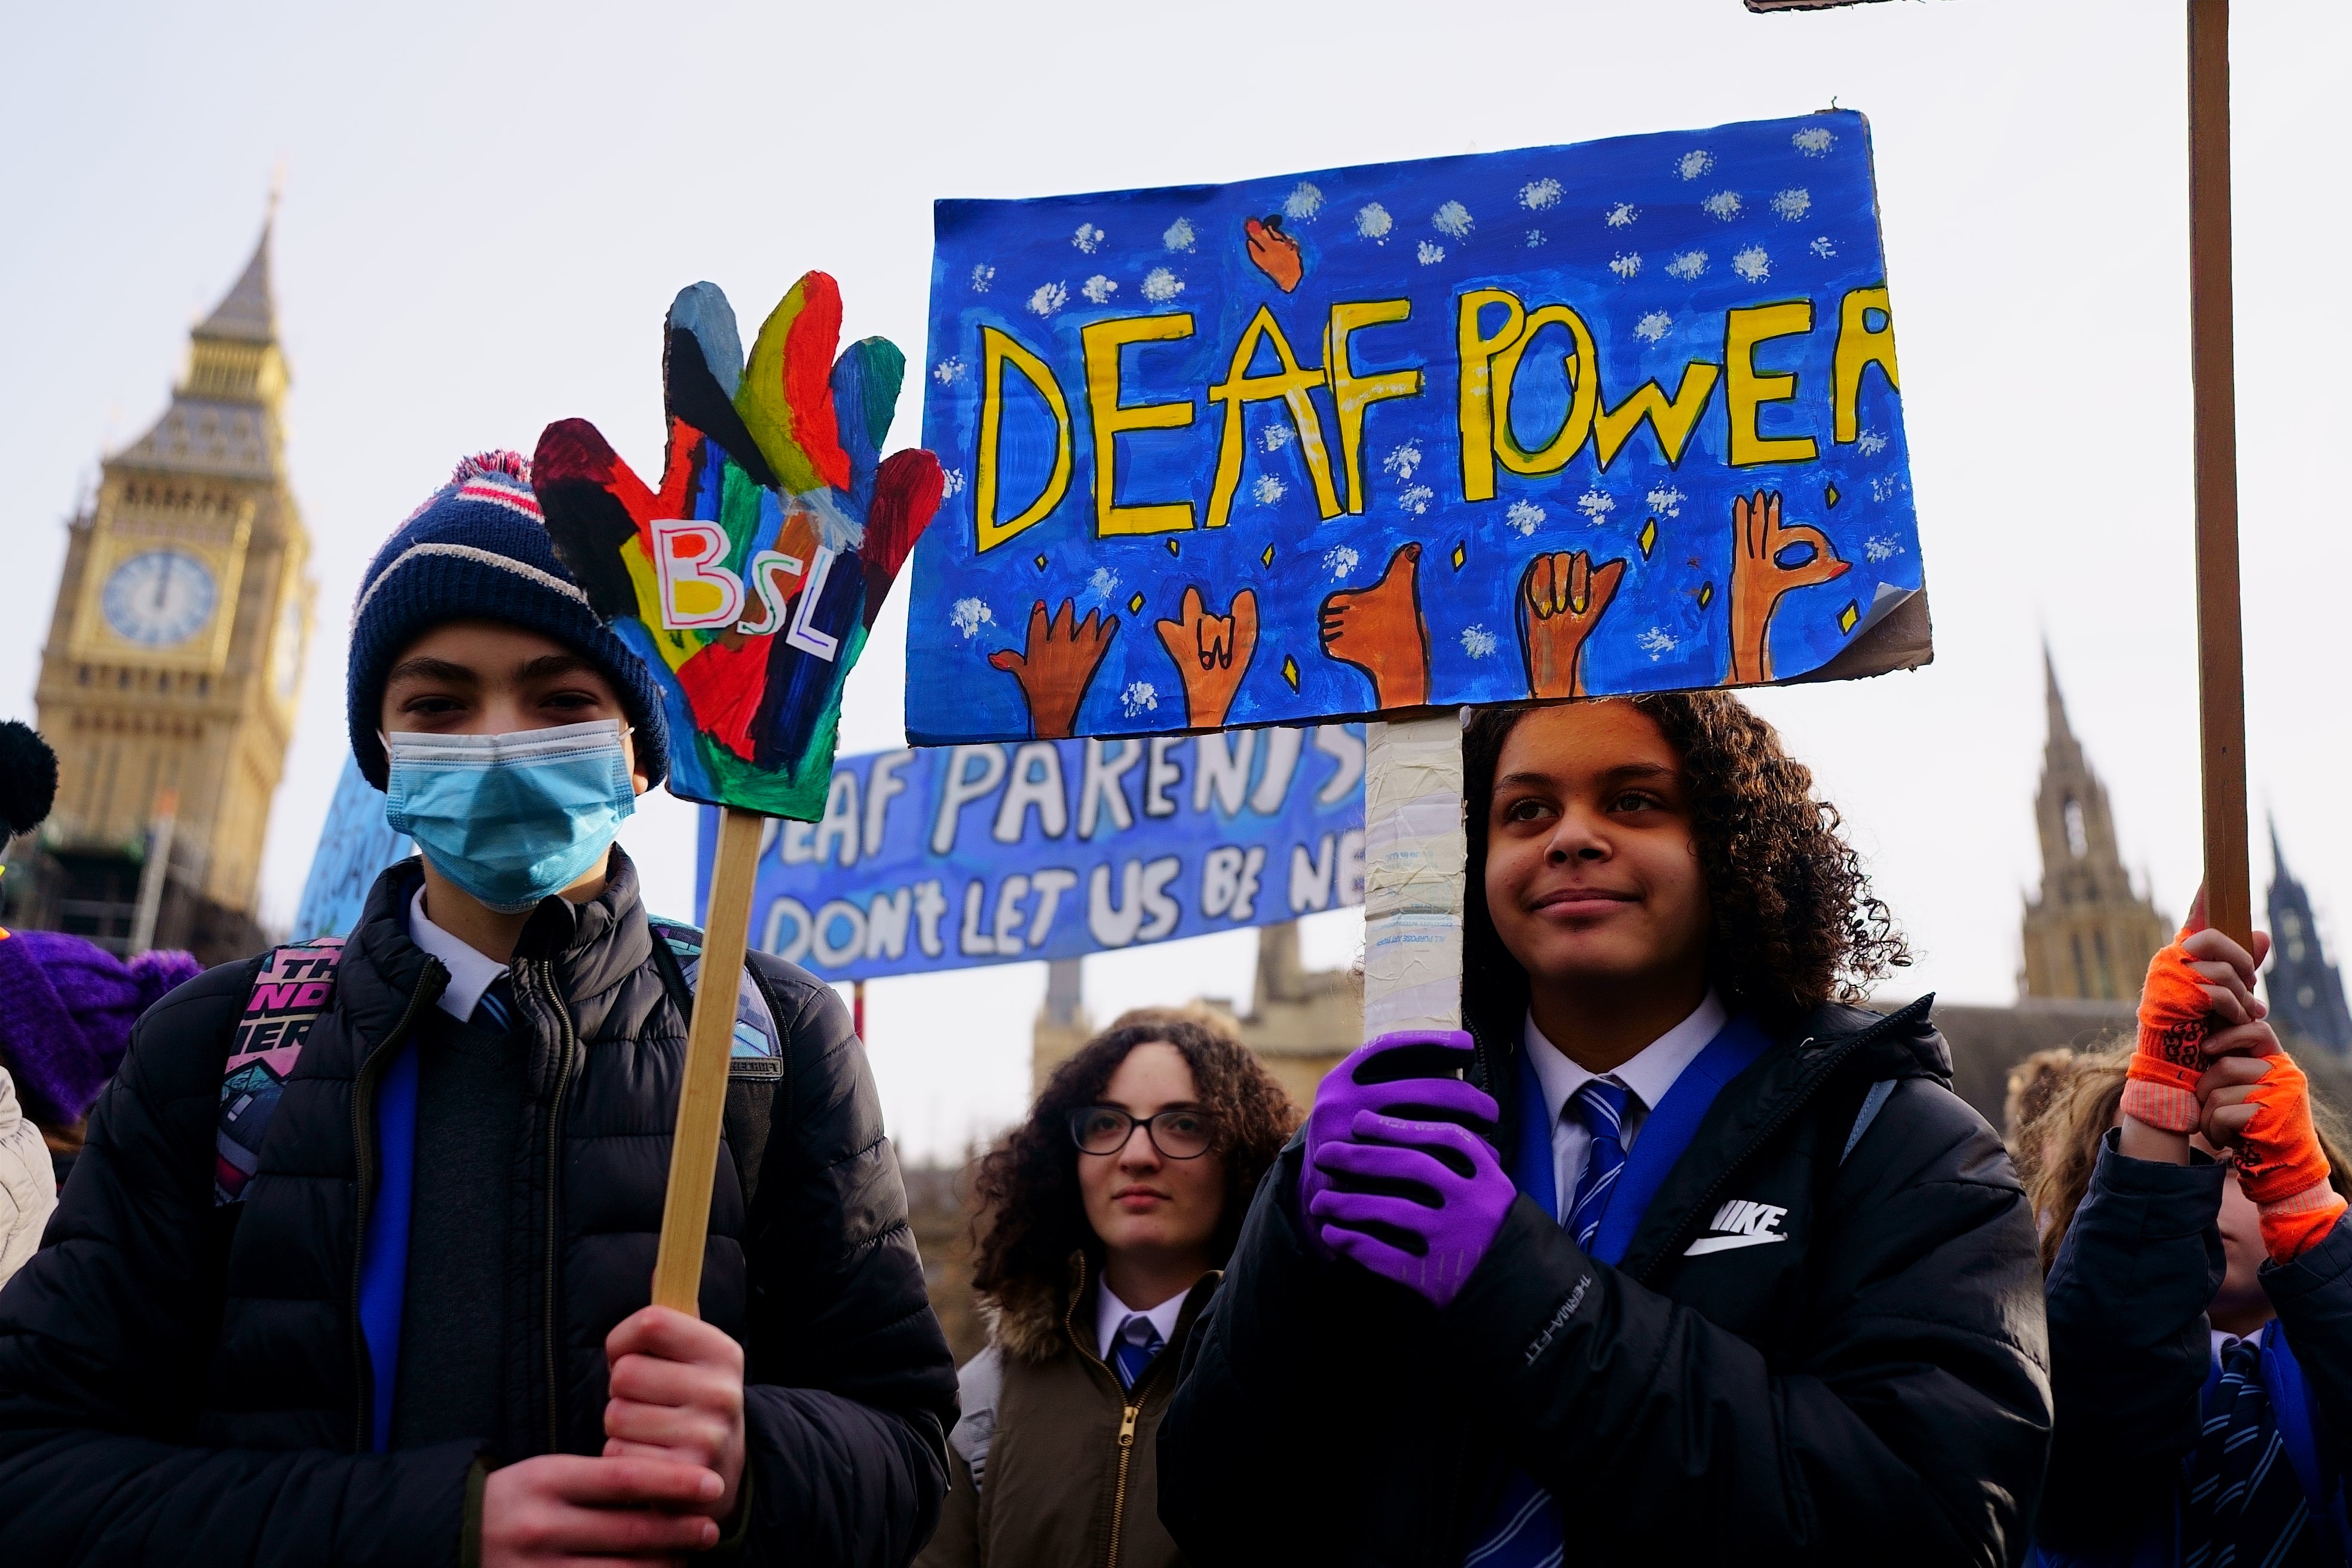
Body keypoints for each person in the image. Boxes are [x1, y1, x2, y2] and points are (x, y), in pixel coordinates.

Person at [0, 453, 957, 1566]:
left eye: (560, 700)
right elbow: (32, 1465)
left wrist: (758, 1455)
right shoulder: (209, 1047)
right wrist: (432, 1527)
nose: (499, 738)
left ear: (641, 751)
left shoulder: (777, 1037)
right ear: (385, 752)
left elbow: (909, 1446)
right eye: (440, 703)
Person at [1160, 694, 2053, 1564]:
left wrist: (1518, 1290)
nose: (1572, 836)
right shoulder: (1383, 1147)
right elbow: (1211, 1508)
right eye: (1527, 810)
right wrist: (1291, 1239)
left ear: (1729, 843)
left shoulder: (1904, 1146)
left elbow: (1932, 1527)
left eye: (1633, 801)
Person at [916, 1010, 1297, 1568]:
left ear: (1241, 1155)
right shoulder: (981, 1403)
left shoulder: (1303, 1383)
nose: (1137, 1155)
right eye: (1105, 1123)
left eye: (1184, 1124)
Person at [2027, 912, 2352, 1564]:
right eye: (2179, 1178)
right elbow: (2087, 1448)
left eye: (2235, 1168)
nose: (2200, 1205)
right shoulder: (2079, 1373)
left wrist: (2303, 1205)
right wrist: (2152, 1130)